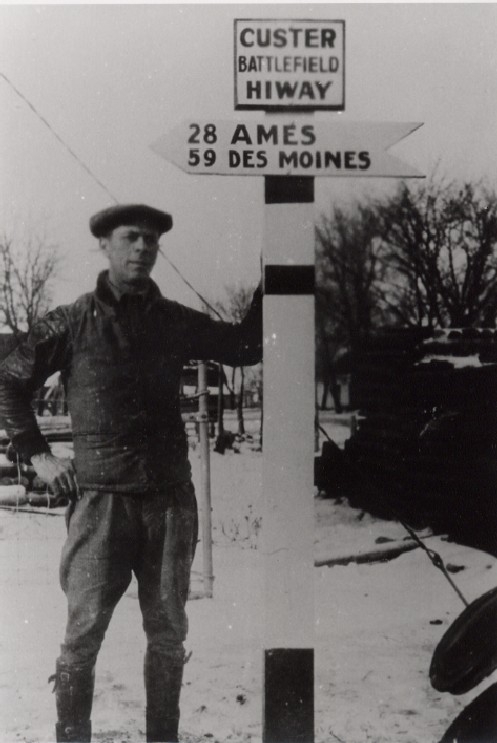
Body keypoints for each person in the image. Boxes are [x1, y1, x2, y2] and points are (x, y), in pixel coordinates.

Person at [0, 204, 263, 743]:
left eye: (151, 239)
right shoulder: (71, 321)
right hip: (100, 503)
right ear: (105, 245)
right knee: (83, 636)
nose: (142, 248)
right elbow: (7, 381)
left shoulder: (173, 320)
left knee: (167, 634)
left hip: (168, 502)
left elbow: (243, 347)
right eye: (130, 238)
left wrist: (275, 277)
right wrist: (38, 455)